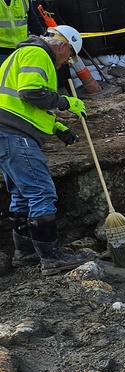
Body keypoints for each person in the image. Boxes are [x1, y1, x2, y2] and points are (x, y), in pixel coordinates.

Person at [0, 25, 89, 274]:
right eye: (69, 55)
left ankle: (26, 251)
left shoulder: (22, 54)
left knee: (21, 193)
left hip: (7, 132)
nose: (66, 62)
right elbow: (30, 92)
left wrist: (56, 126)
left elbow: (21, 104)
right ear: (62, 45)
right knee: (41, 193)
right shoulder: (39, 54)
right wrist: (65, 102)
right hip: (16, 135)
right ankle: (52, 258)